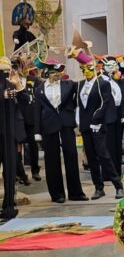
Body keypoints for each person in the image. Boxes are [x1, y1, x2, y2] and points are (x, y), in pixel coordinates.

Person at [34, 62, 88, 204]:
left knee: (71, 154)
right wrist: (37, 131)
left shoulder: (69, 85)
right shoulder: (39, 89)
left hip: (66, 123)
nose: (57, 75)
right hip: (48, 125)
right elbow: (37, 111)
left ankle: (76, 193)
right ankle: (57, 194)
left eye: (59, 73)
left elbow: (85, 85)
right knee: (51, 159)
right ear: (47, 73)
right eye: (54, 73)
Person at [76, 55, 123, 199]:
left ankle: (118, 185)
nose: (86, 72)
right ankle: (98, 187)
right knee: (91, 158)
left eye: (89, 68)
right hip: (85, 126)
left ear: (95, 68)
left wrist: (96, 119)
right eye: (83, 69)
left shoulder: (102, 83)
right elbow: (79, 105)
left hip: (98, 124)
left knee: (104, 155)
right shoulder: (79, 84)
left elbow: (106, 103)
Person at [0, 56, 18, 221]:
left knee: (10, 170)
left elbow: (25, 101)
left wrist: (18, 87)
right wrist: (2, 95)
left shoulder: (11, 82)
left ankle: (9, 204)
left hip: (9, 133)